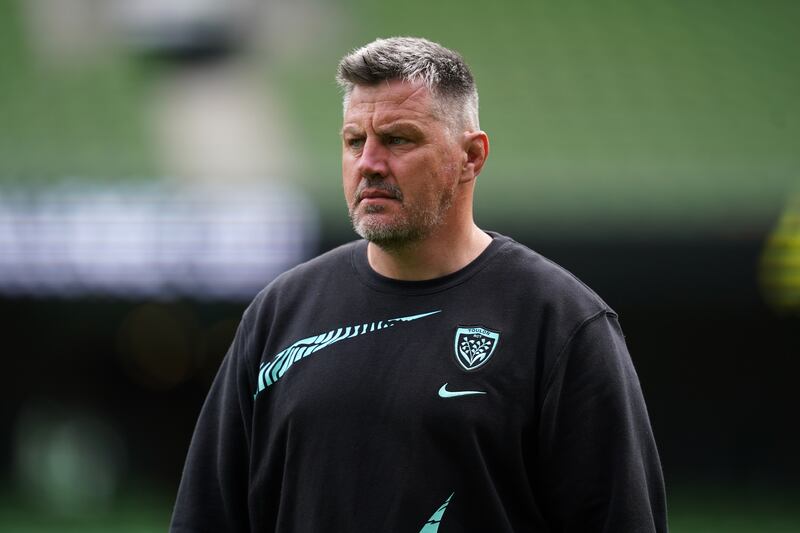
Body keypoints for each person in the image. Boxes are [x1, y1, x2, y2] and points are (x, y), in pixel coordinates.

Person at [170, 37, 667, 532]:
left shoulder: (560, 323)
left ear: (471, 156)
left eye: (399, 139)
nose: (369, 163)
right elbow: (207, 515)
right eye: (353, 141)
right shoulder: (279, 314)